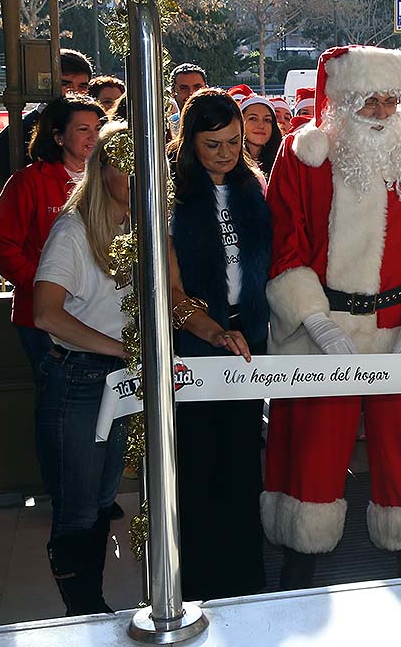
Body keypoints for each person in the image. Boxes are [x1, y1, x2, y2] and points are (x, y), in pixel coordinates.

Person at [262, 45, 401, 586]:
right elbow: (285, 241)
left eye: (389, 100)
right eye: (367, 101)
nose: (380, 111)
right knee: (312, 437)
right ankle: (301, 546)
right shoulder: (301, 155)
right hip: (321, 324)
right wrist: (315, 321)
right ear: (340, 101)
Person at [167, 89, 269, 601]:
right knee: (199, 463)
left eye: (234, 142)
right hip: (196, 341)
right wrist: (206, 327)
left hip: (249, 337)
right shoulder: (170, 193)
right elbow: (170, 287)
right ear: (190, 144)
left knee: (243, 461)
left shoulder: (253, 188)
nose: (228, 153)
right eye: (213, 145)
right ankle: (199, 581)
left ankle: (245, 579)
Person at [31, 121, 132, 615]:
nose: (138, 177)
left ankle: (90, 608)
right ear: (104, 169)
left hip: (118, 380)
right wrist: (119, 349)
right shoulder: (73, 229)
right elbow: (45, 313)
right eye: (128, 166)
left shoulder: (142, 226)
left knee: (99, 503)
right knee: (76, 508)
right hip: (77, 377)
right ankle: (85, 611)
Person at [0, 95, 107, 383]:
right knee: (58, 401)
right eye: (83, 129)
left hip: (100, 316)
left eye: (98, 128)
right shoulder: (29, 181)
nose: (93, 137)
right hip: (43, 319)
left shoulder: (110, 179)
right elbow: (2, 244)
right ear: (58, 137)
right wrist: (46, 287)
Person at [0, 49, 94, 186]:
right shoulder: (16, 133)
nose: (74, 92)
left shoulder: (98, 127)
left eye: (82, 86)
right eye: (65, 84)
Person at [238, 90, 283, 179]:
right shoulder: (229, 162)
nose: (261, 125)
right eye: (253, 119)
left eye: (267, 120)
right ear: (240, 122)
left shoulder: (281, 163)